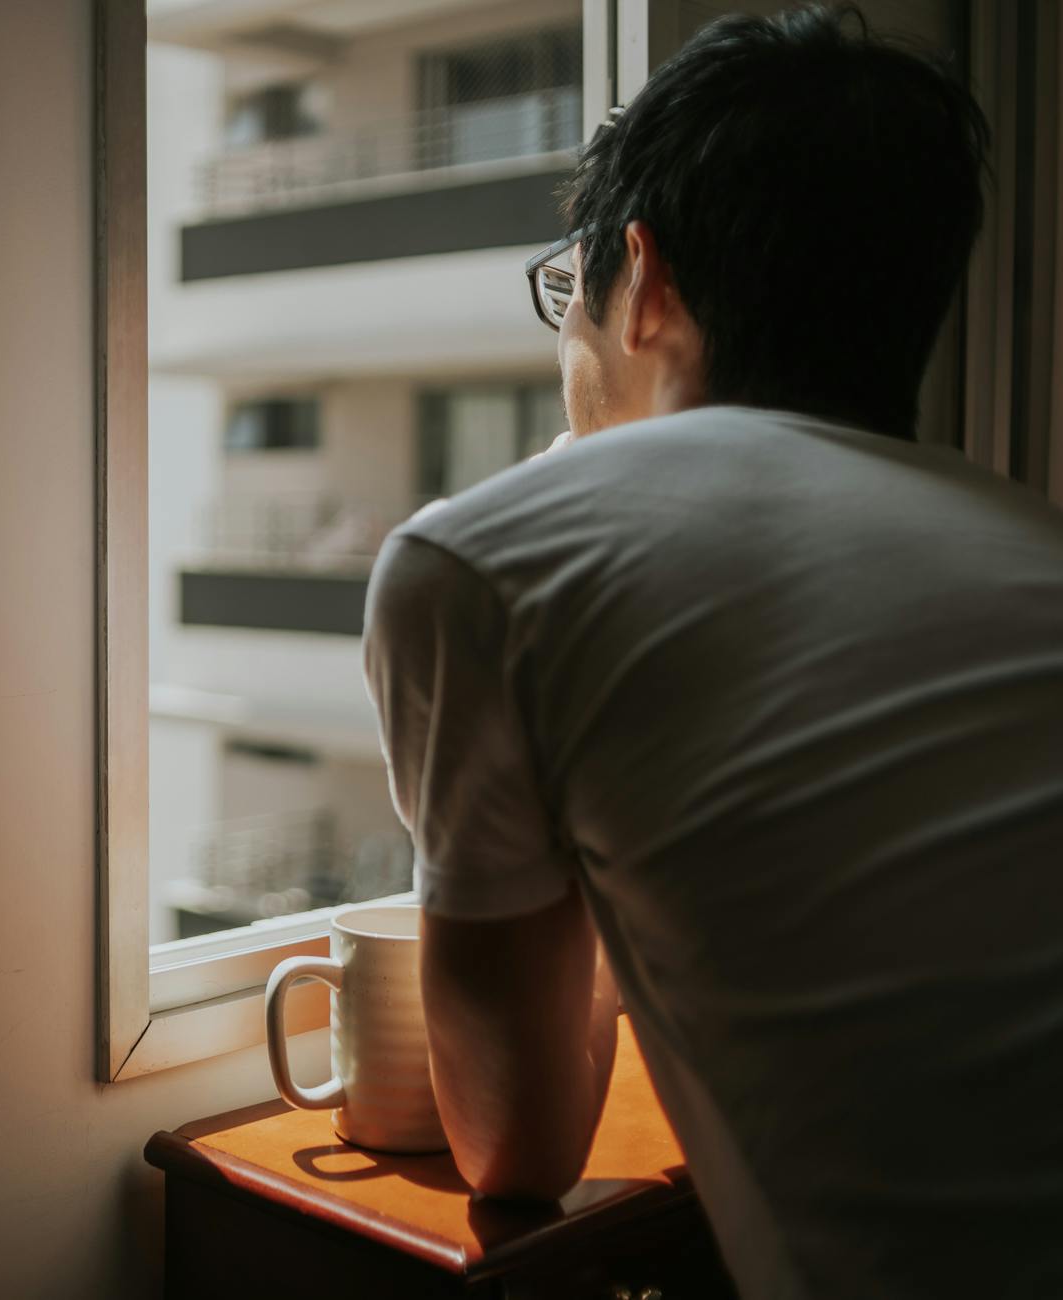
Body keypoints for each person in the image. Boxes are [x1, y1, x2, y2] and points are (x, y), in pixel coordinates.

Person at [360, 6, 1063, 1297]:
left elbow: (512, 1147)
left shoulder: (487, 557)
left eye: (569, 289)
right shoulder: (1030, 535)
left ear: (648, 279)